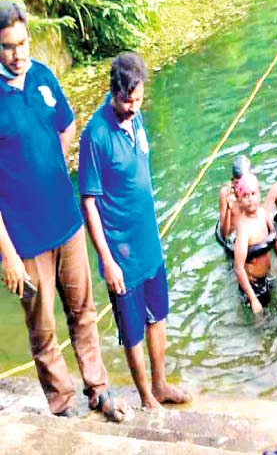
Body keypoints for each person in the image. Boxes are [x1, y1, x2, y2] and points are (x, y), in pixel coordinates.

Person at [0, 0, 125, 421]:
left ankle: (98, 390)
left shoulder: (43, 76)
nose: (18, 54)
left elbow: (66, 123)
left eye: (22, 43)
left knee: (84, 312)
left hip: (67, 223)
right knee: (43, 328)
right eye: (8, 47)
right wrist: (8, 254)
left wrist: (53, 162)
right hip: (25, 241)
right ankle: (62, 404)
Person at [79, 52, 190, 410]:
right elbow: (89, 203)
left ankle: (160, 384)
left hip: (148, 242)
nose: (134, 107)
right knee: (132, 330)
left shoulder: (136, 118)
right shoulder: (95, 135)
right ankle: (145, 397)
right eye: (128, 101)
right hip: (121, 252)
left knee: (159, 314)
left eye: (139, 99)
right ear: (114, 92)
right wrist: (107, 261)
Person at [233, 174, 275, 313]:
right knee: (260, 321)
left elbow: (274, 238)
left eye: (253, 194)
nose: (250, 199)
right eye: (245, 195)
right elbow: (238, 267)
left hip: (266, 278)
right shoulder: (243, 228)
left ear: (259, 193)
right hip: (253, 285)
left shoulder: (263, 214)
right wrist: (253, 299)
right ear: (240, 199)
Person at [218, 155, 251, 239]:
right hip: (233, 236)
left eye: (242, 183)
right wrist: (228, 209)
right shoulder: (226, 193)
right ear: (232, 181)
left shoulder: (252, 190)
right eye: (236, 183)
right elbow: (224, 234)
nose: (239, 187)